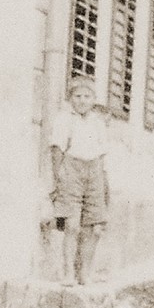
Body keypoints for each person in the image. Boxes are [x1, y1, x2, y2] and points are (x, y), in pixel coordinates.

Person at [49, 74, 111, 284]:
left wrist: (103, 182)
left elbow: (102, 156)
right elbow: (57, 150)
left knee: (94, 227)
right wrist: (58, 178)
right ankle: (67, 272)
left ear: (94, 99)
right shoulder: (64, 119)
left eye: (87, 96)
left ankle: (84, 272)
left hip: (94, 172)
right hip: (71, 170)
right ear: (70, 98)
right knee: (72, 224)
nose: (82, 100)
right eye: (78, 96)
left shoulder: (98, 123)